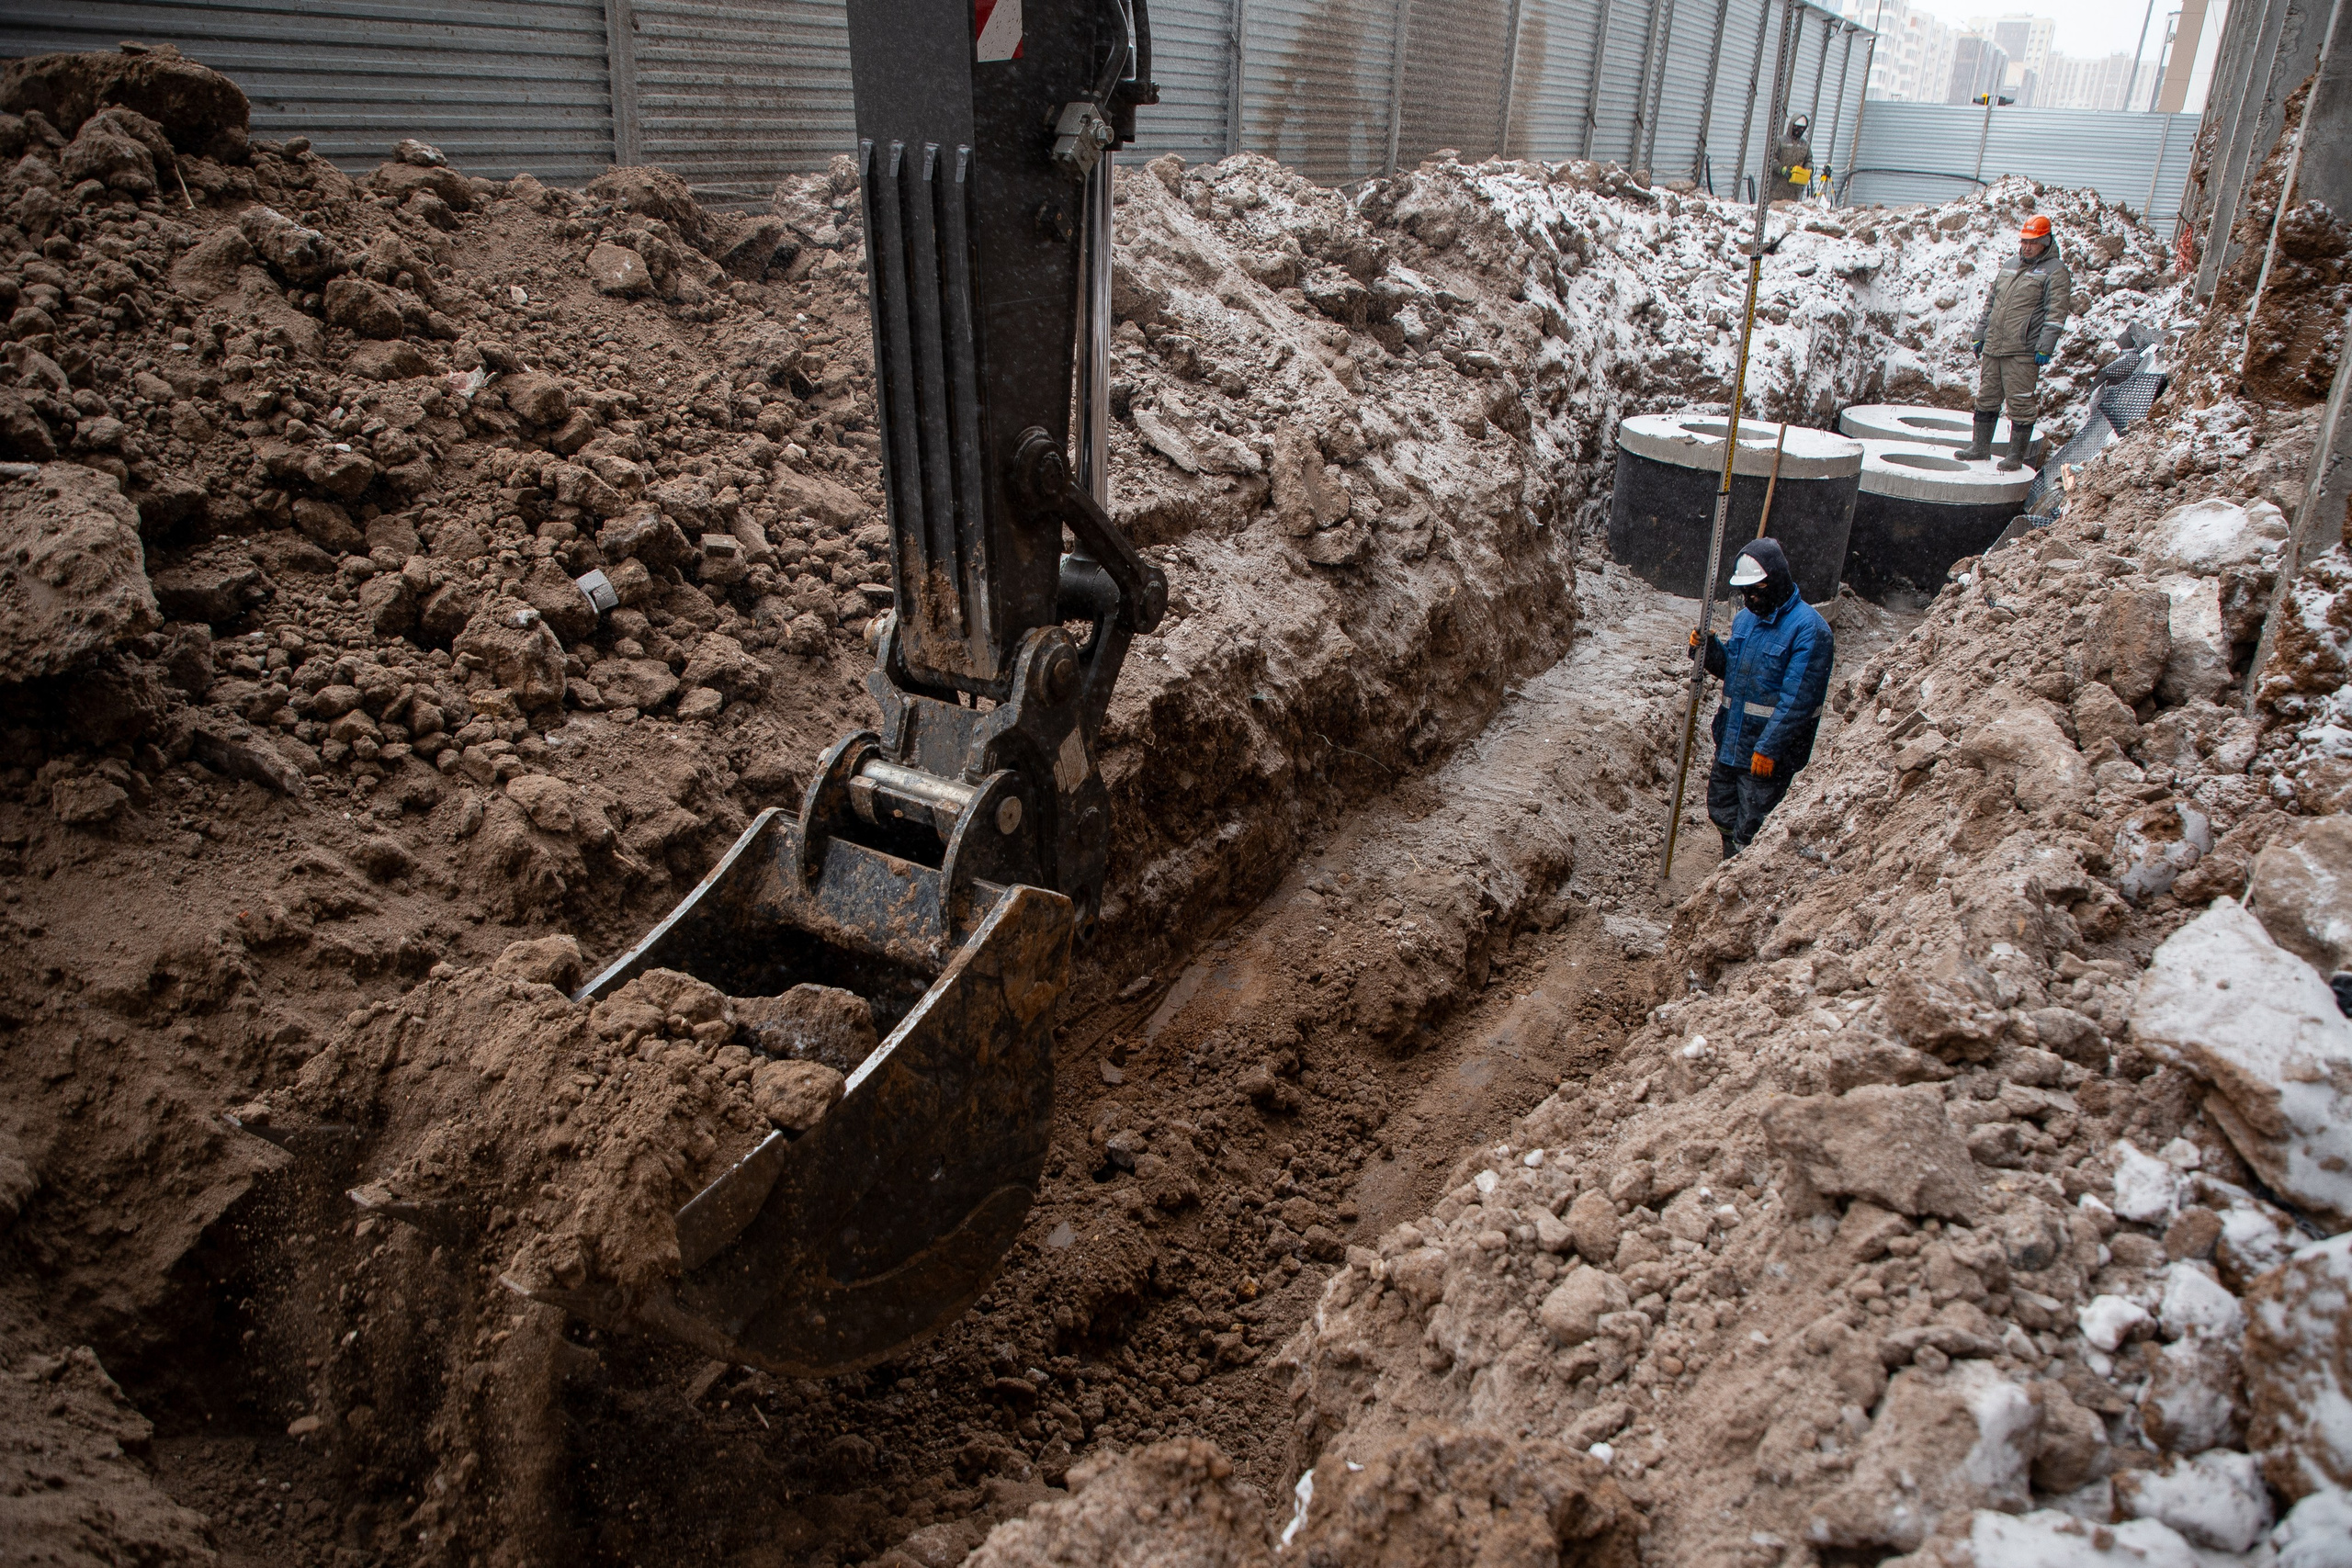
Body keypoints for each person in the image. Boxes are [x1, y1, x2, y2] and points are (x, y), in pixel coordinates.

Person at [1687, 538, 1833, 860]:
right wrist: (1708, 650)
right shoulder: (1745, 621)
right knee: (1721, 805)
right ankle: (1730, 861)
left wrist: (1769, 748)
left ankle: (1745, 872)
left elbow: (1798, 700)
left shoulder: (1809, 630)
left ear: (1777, 581)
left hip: (1766, 753)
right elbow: (1734, 671)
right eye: (1745, 593)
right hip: (1732, 739)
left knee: (1754, 819)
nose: (1751, 599)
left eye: (1758, 590)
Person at [1963, 213, 2073, 471]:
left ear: (2046, 242)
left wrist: (2045, 346)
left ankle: (2015, 456)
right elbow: (1991, 303)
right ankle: (1980, 448)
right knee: (1986, 398)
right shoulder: (2011, 265)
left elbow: (2056, 314)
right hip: (1994, 345)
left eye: (2033, 242)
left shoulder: (2055, 272)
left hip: (2022, 350)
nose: (2027, 246)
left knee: (2020, 403)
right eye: (2024, 241)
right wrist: (1980, 334)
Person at [1770, 115, 1813, 202]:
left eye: (1802, 128)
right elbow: (1771, 159)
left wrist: (1808, 170)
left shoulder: (1805, 145)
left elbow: (1809, 160)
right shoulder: (1780, 141)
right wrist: (1781, 169)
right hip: (1777, 189)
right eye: (1797, 127)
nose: (1798, 131)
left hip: (1795, 191)